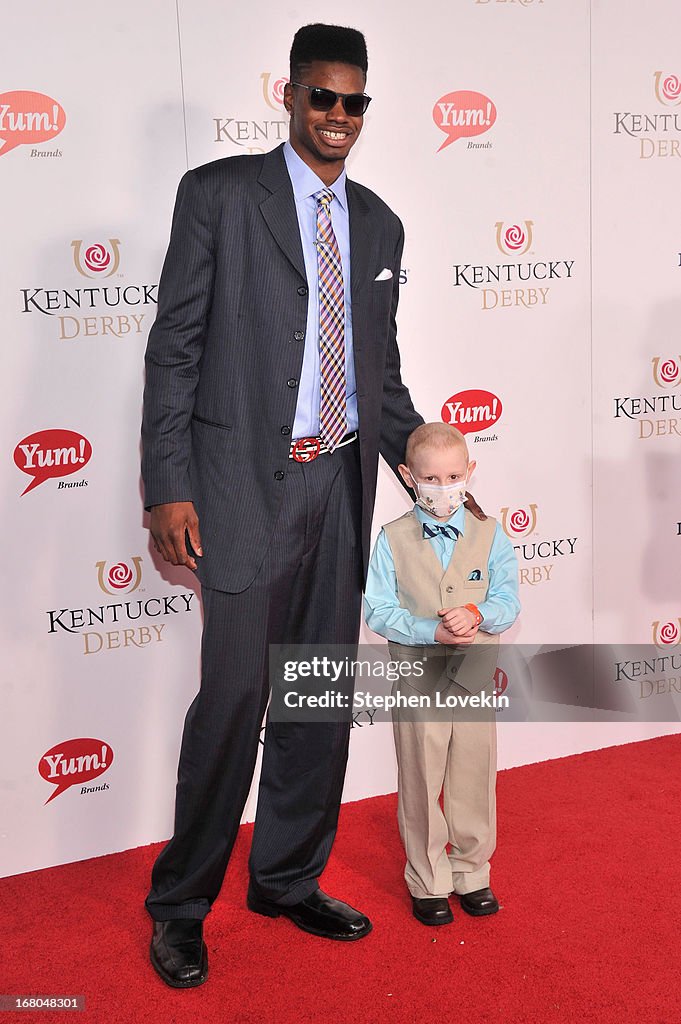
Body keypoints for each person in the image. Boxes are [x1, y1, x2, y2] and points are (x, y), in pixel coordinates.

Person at [141, 24, 486, 987]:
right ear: (287, 96)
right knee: (236, 700)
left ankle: (287, 879)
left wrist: (431, 471)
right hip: (239, 487)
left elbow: (377, 375)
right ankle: (179, 906)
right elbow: (173, 347)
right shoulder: (217, 194)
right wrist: (167, 483)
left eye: (354, 102)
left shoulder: (378, 223)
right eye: (321, 97)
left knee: (317, 697)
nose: (338, 116)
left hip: (339, 486)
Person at [364, 422, 520, 926]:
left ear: (469, 471)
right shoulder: (391, 540)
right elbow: (378, 610)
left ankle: (472, 872)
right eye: (431, 477)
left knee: (474, 777)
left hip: (474, 680)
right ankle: (428, 877)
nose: (443, 486)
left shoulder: (491, 534)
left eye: (453, 475)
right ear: (409, 477)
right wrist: (428, 630)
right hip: (417, 681)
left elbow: (507, 600)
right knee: (421, 778)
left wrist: (479, 615)